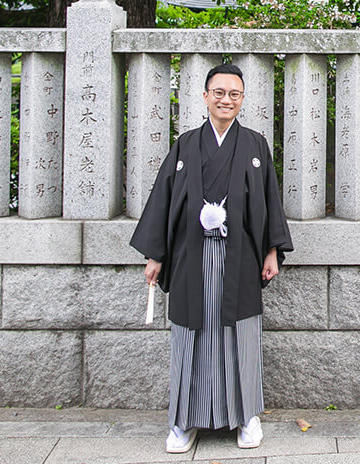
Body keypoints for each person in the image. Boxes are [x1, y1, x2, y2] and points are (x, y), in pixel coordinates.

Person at [130, 62, 293, 454]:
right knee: (192, 334)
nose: (226, 100)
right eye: (218, 92)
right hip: (191, 256)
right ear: (205, 97)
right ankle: (184, 420)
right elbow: (163, 200)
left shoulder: (254, 144)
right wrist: (156, 255)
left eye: (234, 94)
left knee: (241, 334)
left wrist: (271, 249)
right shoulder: (186, 144)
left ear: (242, 99)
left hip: (240, 256)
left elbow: (269, 198)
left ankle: (246, 416)